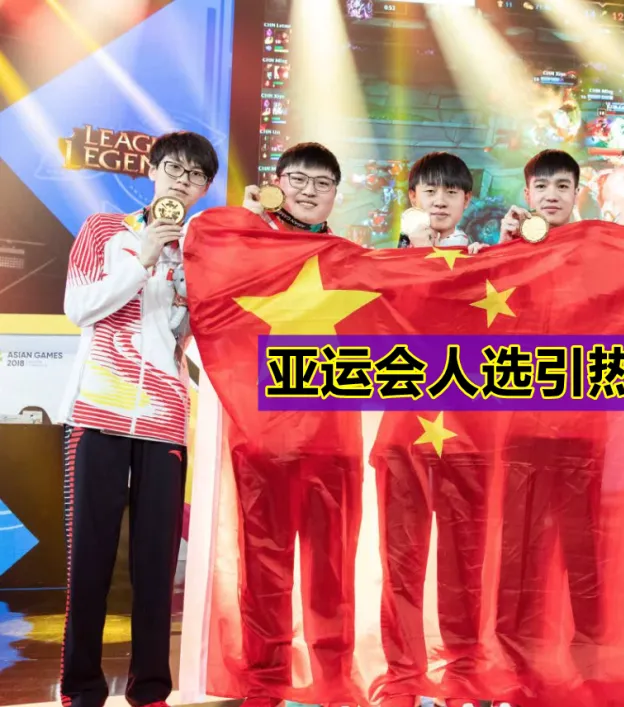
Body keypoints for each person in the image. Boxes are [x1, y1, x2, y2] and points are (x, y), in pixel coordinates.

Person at [58, 130, 219, 707]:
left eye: (196, 176)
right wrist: (144, 255)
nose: (183, 181)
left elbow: (198, 334)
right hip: (98, 414)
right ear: (152, 170)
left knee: (156, 566)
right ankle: (81, 687)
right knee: (90, 560)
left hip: (166, 420)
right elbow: (80, 308)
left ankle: (150, 688)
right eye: (174, 168)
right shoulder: (103, 230)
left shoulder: (201, 253)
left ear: (204, 189)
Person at [234, 142, 365, 706]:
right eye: (298, 179)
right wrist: (245, 226)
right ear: (277, 182)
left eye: (322, 183)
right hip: (261, 431)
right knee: (263, 563)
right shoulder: (247, 247)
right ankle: (265, 682)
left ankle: (333, 682)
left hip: (331, 434)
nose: (309, 191)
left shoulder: (352, 260)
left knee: (331, 567)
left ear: (336, 193)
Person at [371, 152, 492, 707]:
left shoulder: (487, 263)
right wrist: (410, 253)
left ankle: (463, 672)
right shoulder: (384, 261)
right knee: (401, 561)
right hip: (403, 432)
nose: (439, 200)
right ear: (412, 196)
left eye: (451, 192)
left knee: (466, 561)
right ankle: (403, 675)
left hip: (471, 433)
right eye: (429, 190)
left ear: (467, 200)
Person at [492, 150, 606, 703]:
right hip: (521, 432)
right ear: (528, 193)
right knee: (519, 557)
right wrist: (504, 246)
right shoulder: (508, 252)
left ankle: (591, 668)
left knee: (586, 556)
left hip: (584, 432)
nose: (552, 195)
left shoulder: (600, 251)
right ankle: (515, 668)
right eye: (542, 186)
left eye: (563, 185)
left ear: (577, 193)